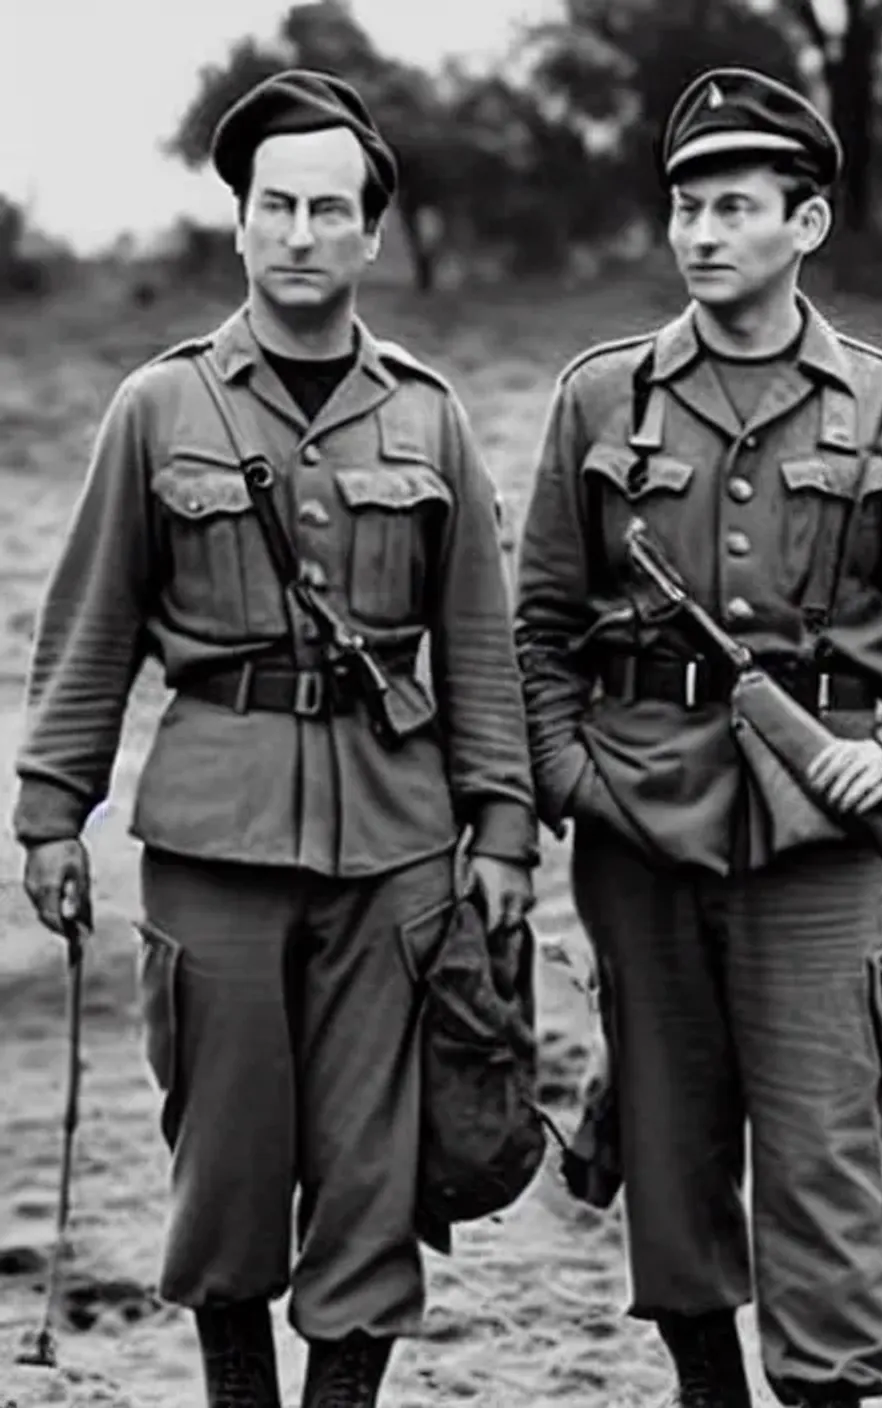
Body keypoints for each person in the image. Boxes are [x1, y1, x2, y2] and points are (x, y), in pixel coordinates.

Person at [13, 69, 537, 1408]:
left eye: (329, 210)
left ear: (371, 237)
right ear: (240, 225)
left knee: (375, 1166)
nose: (301, 233)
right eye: (275, 206)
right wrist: (50, 813)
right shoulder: (159, 408)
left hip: (396, 851)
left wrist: (501, 830)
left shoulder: (428, 415)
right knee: (231, 1165)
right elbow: (92, 626)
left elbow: (477, 642)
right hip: (210, 837)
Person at [514, 66, 882, 1408]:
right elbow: (538, 630)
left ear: (809, 223)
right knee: (671, 1151)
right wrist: (571, 779)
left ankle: (828, 1389)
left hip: (823, 842)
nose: (700, 232)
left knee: (822, 1152)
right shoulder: (599, 400)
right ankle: (704, 1385)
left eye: (734, 205)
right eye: (685, 205)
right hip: (639, 830)